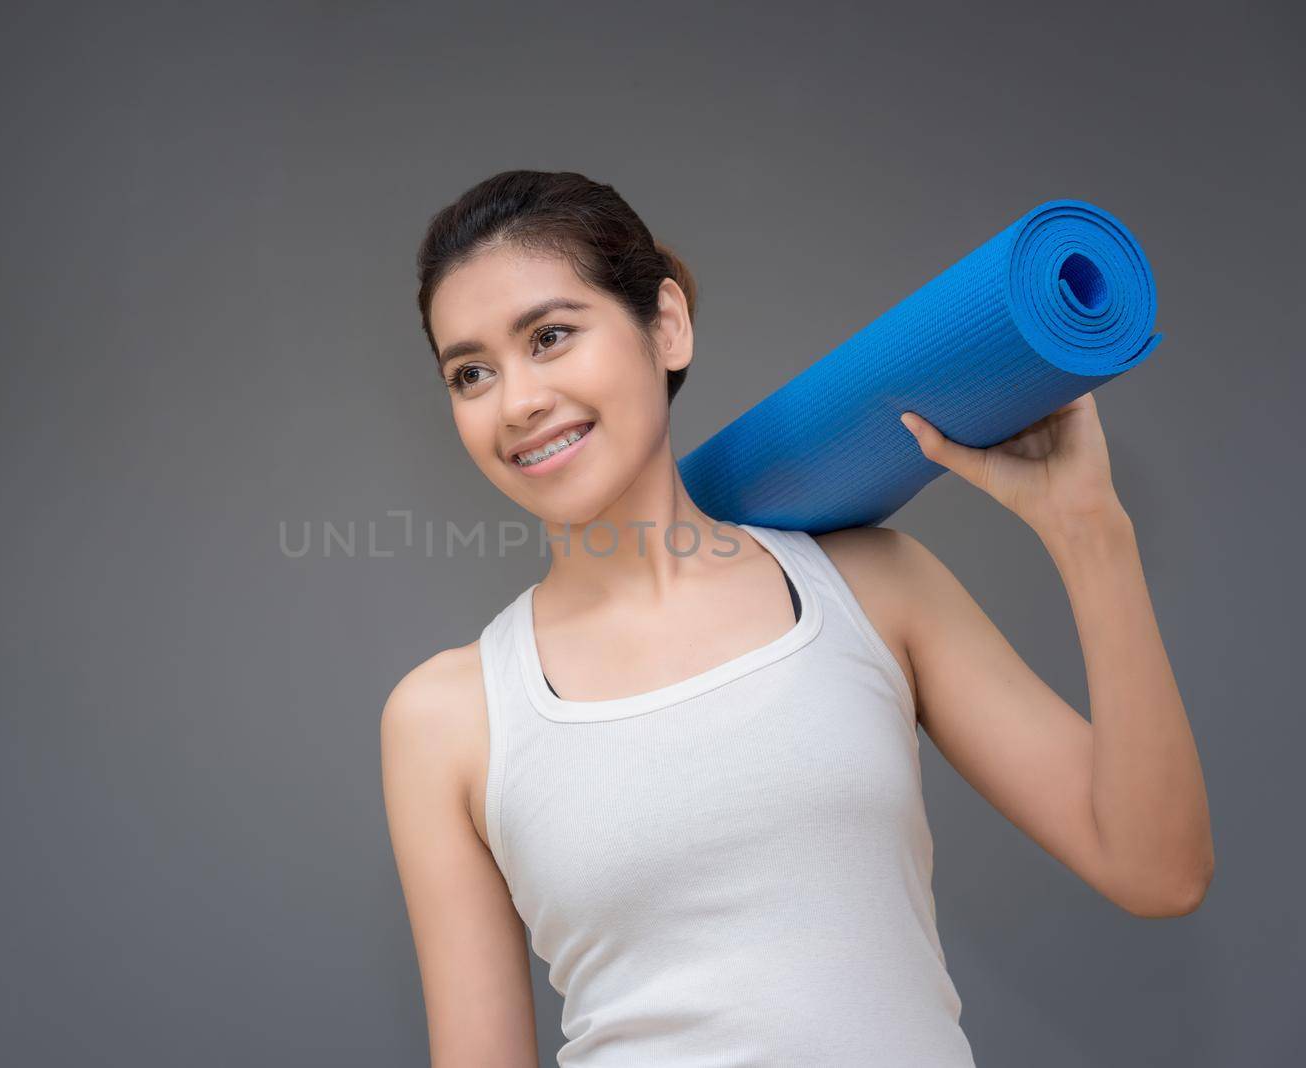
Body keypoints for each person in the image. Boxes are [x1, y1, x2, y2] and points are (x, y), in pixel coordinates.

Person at [379, 169, 1213, 1067]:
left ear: (666, 325)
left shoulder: (871, 588)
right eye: (471, 373)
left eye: (550, 335)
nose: (517, 402)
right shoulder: (450, 717)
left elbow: (1156, 871)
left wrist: (1091, 532)